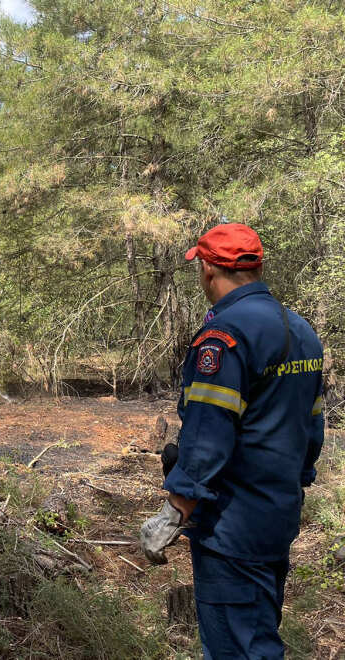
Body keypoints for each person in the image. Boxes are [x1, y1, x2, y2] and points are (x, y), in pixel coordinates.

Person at [139, 223, 324, 659]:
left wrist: (174, 511)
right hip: (277, 516)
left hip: (231, 527)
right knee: (258, 631)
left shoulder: (223, 337)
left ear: (207, 268)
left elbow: (208, 436)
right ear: (257, 267)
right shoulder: (301, 332)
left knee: (238, 649)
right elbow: (311, 428)